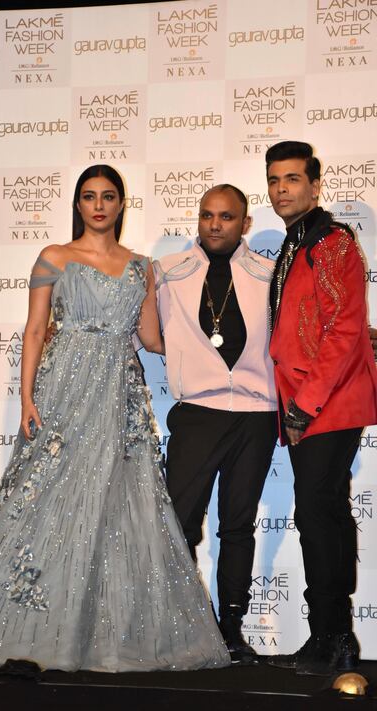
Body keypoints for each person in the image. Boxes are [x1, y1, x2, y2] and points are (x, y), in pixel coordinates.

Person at [0, 164, 230, 673]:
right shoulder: (54, 258)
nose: (98, 204)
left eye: (108, 196)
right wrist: (28, 399)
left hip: (118, 394)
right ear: (78, 204)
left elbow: (153, 339)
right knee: (43, 496)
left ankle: (94, 632)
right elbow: (33, 331)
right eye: (89, 196)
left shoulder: (142, 267)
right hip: (64, 388)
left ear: (121, 204)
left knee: (115, 505)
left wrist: (216, 343)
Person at [264, 141, 377, 676]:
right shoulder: (298, 242)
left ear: (315, 185)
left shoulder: (332, 242)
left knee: (318, 514)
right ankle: (330, 636)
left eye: (291, 179)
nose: (281, 189)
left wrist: (305, 406)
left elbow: (346, 329)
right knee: (322, 513)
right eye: (274, 180)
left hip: (327, 402)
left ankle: (335, 639)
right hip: (309, 402)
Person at [153, 184, 279, 664]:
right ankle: (184, 624)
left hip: (255, 414)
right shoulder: (166, 274)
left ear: (244, 224)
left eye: (226, 217)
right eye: (207, 215)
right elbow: (146, 332)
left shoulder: (270, 277)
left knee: (238, 528)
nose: (215, 224)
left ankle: (231, 628)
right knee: (179, 524)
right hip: (198, 413)